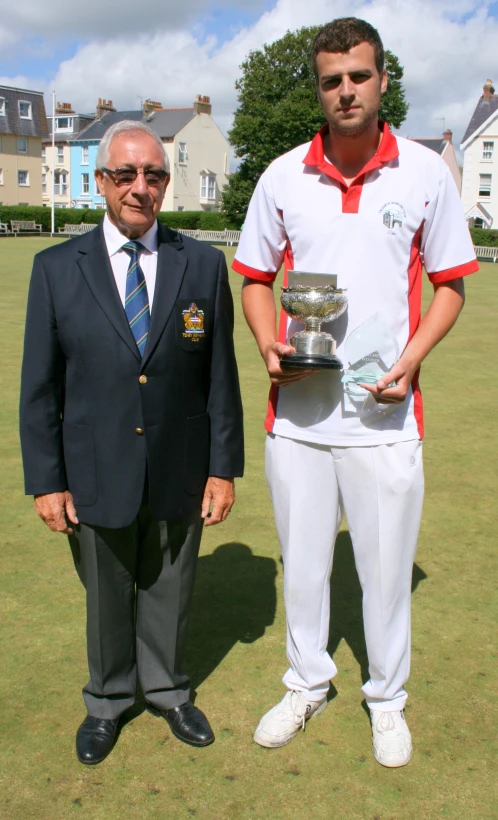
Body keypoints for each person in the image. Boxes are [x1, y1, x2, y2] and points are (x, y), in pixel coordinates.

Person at [233, 17, 478, 767]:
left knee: (384, 573)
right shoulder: (281, 175)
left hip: (386, 414)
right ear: (320, 88)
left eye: (359, 76)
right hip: (299, 419)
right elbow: (253, 278)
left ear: (382, 80)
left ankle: (387, 700)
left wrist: (411, 359)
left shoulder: (425, 173)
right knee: (304, 568)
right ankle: (307, 682)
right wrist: (271, 341)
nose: (346, 91)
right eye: (332, 79)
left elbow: (450, 285)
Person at [20, 120, 244, 765]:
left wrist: (222, 468)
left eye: (153, 175)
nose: (140, 188)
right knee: (107, 593)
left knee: (171, 587)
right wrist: (48, 479)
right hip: (95, 467)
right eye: (126, 175)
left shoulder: (202, 264)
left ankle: (169, 689)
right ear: (101, 182)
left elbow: (218, 378)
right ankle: (109, 700)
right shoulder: (56, 269)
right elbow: (40, 388)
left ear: (166, 184)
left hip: (181, 463)